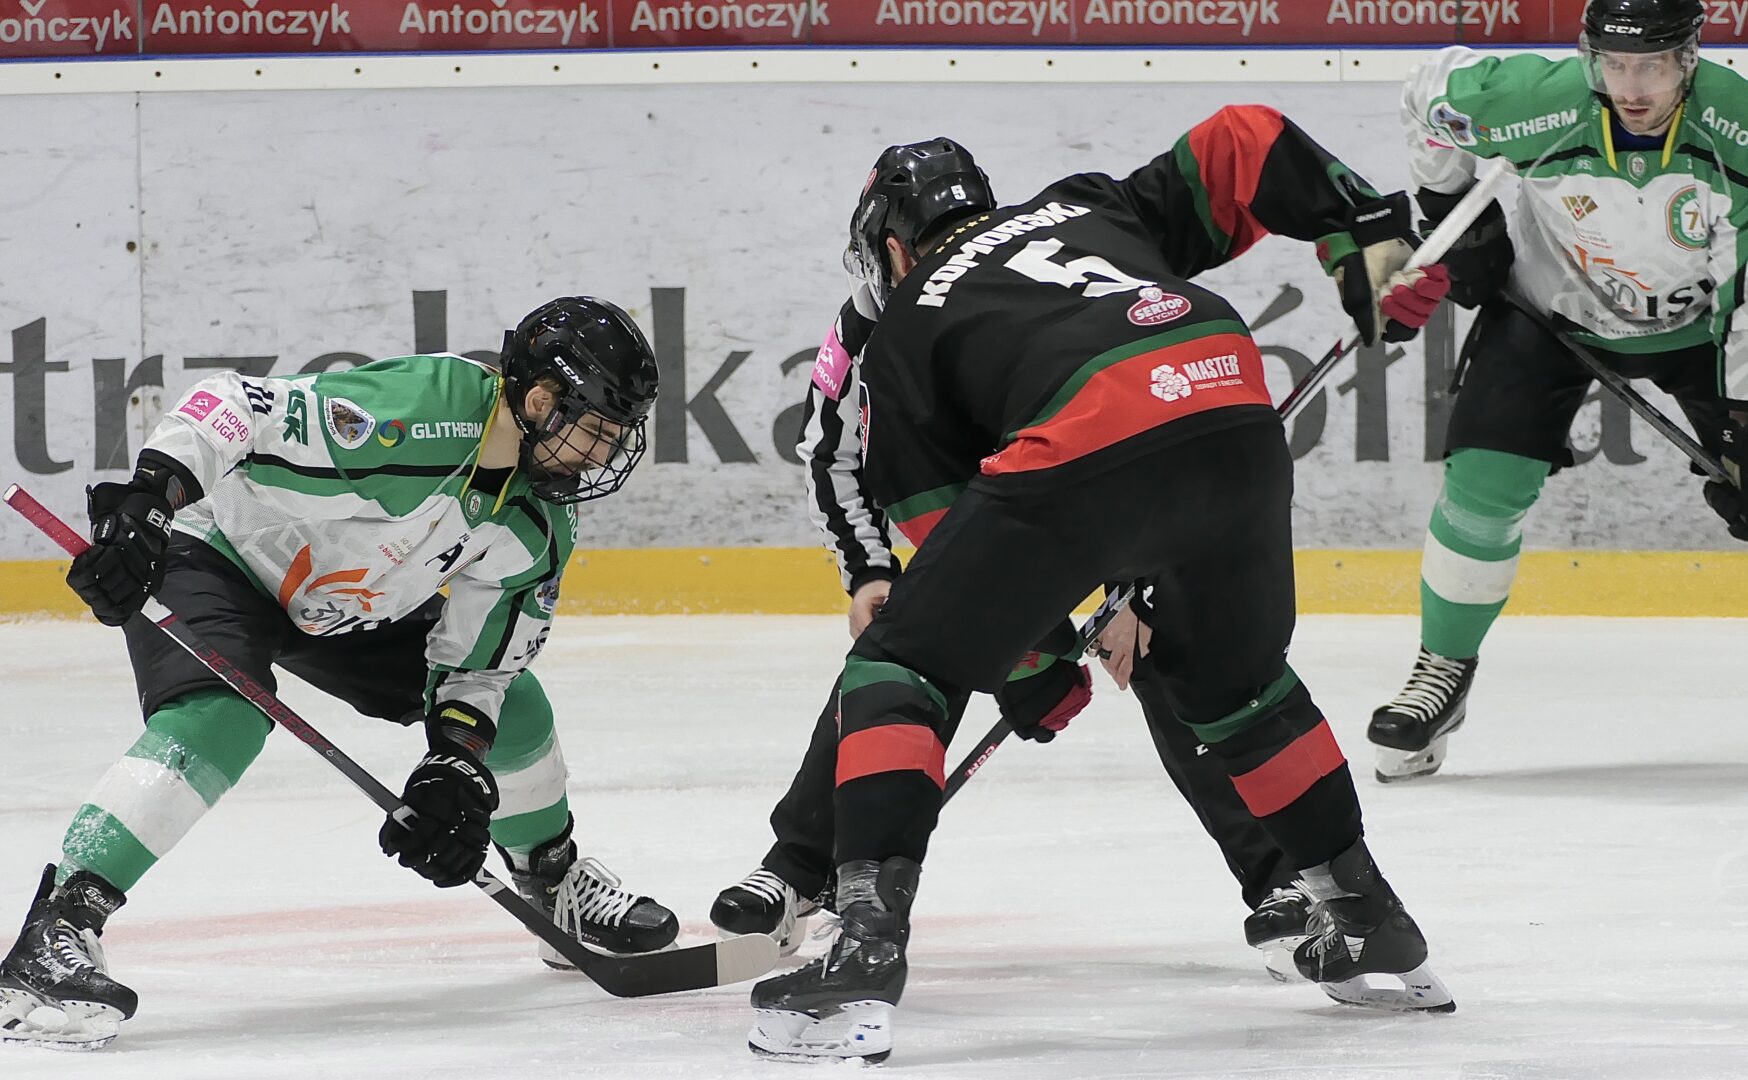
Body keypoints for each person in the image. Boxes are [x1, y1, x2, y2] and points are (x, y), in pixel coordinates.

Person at [745, 107, 1457, 1063]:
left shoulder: (904, 328)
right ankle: (1367, 915)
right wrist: (1361, 231)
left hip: (1089, 440)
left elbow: (943, 539)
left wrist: (1032, 659)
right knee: (1236, 688)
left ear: (893, 248)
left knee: (902, 661)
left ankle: (865, 945)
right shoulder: (1083, 208)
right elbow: (1244, 142)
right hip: (1230, 405)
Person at [0, 297, 677, 1050]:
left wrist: (454, 768)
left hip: (351, 601)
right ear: (543, 401)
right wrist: (147, 503)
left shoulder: (540, 522)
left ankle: (551, 881)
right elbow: (235, 404)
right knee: (221, 715)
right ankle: (58, 926)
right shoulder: (422, 412)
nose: (603, 456)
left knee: (512, 709)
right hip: (219, 555)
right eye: (597, 430)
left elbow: (481, 667)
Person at [1372, 0, 1748, 783]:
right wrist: (1454, 211)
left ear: (1688, 59)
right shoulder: (1526, 101)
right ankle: (1442, 669)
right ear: (1589, 57)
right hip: (1550, 312)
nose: (1632, 88)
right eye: (1616, 65)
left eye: (1653, 66)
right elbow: (1425, 92)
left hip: (1704, 329)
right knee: (1482, 486)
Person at [707, 303, 1312, 981]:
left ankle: (1291, 879)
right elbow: (834, 457)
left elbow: (1154, 434)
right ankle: (800, 867)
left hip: (1103, 484)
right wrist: (874, 571)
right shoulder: (864, 335)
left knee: (1177, 642)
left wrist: (1142, 586)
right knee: (905, 652)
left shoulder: (1034, 292)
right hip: (994, 515)